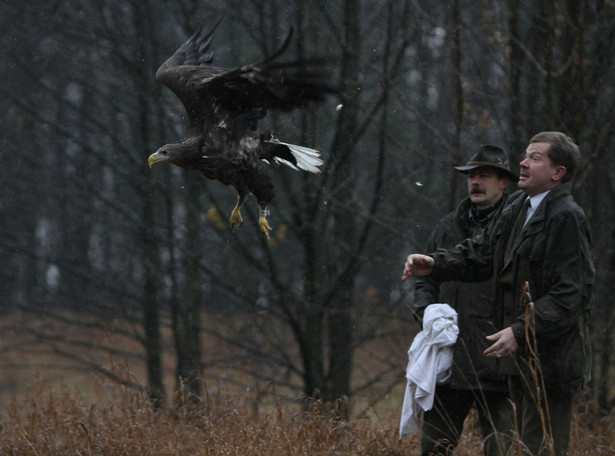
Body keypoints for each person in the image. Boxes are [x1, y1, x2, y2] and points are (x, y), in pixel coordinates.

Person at [402, 132, 595, 456]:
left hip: (551, 366)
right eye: (525, 155)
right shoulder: (521, 206)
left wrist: (521, 331)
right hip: (521, 362)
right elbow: (483, 254)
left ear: (557, 173)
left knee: (540, 450)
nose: (523, 162)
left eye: (535, 157)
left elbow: (569, 295)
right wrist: (435, 264)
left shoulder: (566, 217)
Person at [413, 145, 517, 456]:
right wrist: (426, 314)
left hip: (500, 365)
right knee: (434, 449)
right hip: (451, 365)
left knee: (501, 450)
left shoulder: (517, 228)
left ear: (504, 183)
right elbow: (425, 279)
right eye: (471, 176)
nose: (475, 182)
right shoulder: (446, 227)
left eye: (483, 176)